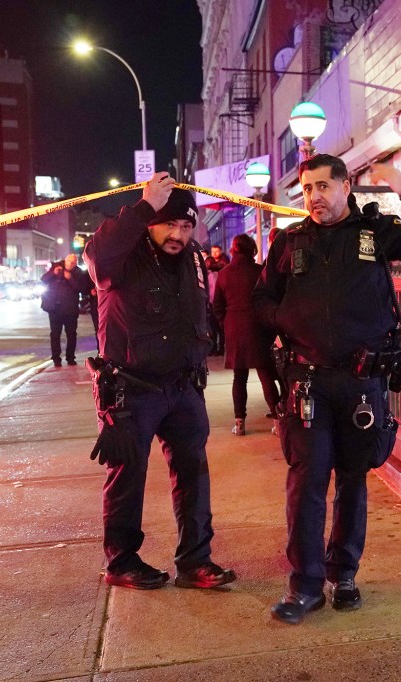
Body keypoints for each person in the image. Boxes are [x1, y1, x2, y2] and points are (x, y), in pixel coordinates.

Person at [253, 154, 401, 624]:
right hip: (307, 384)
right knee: (305, 483)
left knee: (351, 480)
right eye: (306, 189)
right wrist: (284, 319)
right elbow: (261, 298)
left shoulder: (374, 232)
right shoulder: (289, 241)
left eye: (323, 186)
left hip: (362, 382)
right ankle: (304, 586)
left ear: (346, 187)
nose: (314, 197)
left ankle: (344, 573)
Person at [82, 171, 236, 591]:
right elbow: (96, 252)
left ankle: (195, 561)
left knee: (193, 474)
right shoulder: (121, 259)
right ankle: (122, 561)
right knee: (126, 476)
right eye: (169, 224)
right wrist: (144, 205)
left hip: (183, 387)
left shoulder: (193, 259)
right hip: (131, 389)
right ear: (150, 223)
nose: (178, 234)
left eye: (186, 226)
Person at [213, 234, 283, 436]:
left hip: (235, 330)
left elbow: (217, 304)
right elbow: (271, 298)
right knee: (266, 374)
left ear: (234, 250)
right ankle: (278, 420)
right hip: (259, 328)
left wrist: (226, 323)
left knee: (239, 377)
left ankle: (240, 422)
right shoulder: (259, 270)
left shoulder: (224, 274)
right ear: (252, 250)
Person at [40, 253, 84, 367]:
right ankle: (56, 359)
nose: (70, 265)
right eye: (69, 262)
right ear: (65, 260)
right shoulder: (56, 268)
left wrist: (70, 279)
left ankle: (70, 357)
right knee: (55, 335)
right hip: (55, 308)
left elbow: (81, 288)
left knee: (71, 334)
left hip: (70, 310)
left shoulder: (78, 272)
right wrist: (53, 273)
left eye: (73, 263)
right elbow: (43, 280)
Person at [205, 245, 229, 355]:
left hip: (222, 299)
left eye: (216, 251)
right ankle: (214, 347)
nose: (214, 253)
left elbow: (218, 266)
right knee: (213, 326)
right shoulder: (209, 264)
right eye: (213, 251)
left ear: (220, 251)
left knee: (221, 327)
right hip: (211, 299)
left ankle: (221, 348)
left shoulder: (224, 261)